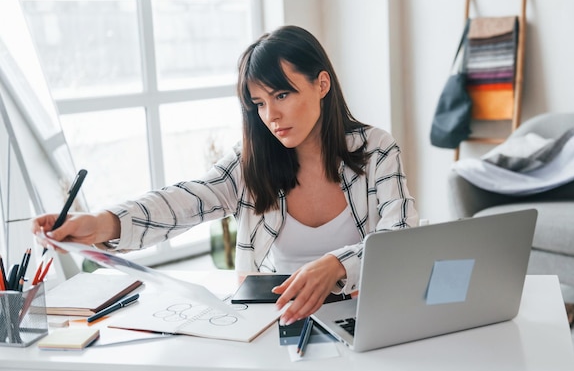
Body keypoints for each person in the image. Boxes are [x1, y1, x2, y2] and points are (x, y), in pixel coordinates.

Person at [32, 25, 418, 326]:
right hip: (272, 320)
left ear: (321, 84)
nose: (271, 116)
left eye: (282, 95)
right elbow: (187, 200)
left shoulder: (376, 150)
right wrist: (103, 223)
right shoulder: (251, 161)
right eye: (260, 103)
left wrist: (336, 265)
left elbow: (400, 235)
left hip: (365, 317)